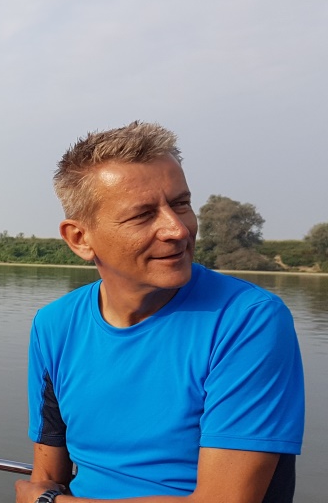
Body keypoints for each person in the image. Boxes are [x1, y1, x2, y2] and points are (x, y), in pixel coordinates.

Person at [16, 122, 304, 503]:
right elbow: (46, 477)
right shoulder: (54, 326)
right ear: (80, 239)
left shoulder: (248, 321)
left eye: (181, 204)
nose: (178, 230)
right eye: (143, 215)